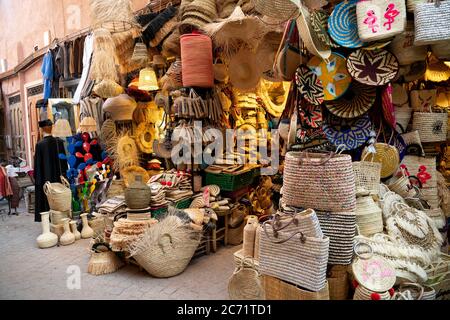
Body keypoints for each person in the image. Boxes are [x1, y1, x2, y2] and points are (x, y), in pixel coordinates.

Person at [34, 119, 68, 222]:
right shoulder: (59, 142)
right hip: (59, 178)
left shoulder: (40, 145)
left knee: (48, 201)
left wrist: (38, 180)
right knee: (59, 200)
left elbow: (38, 166)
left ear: (42, 129)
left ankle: (49, 220)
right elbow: (64, 162)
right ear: (51, 128)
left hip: (46, 180)